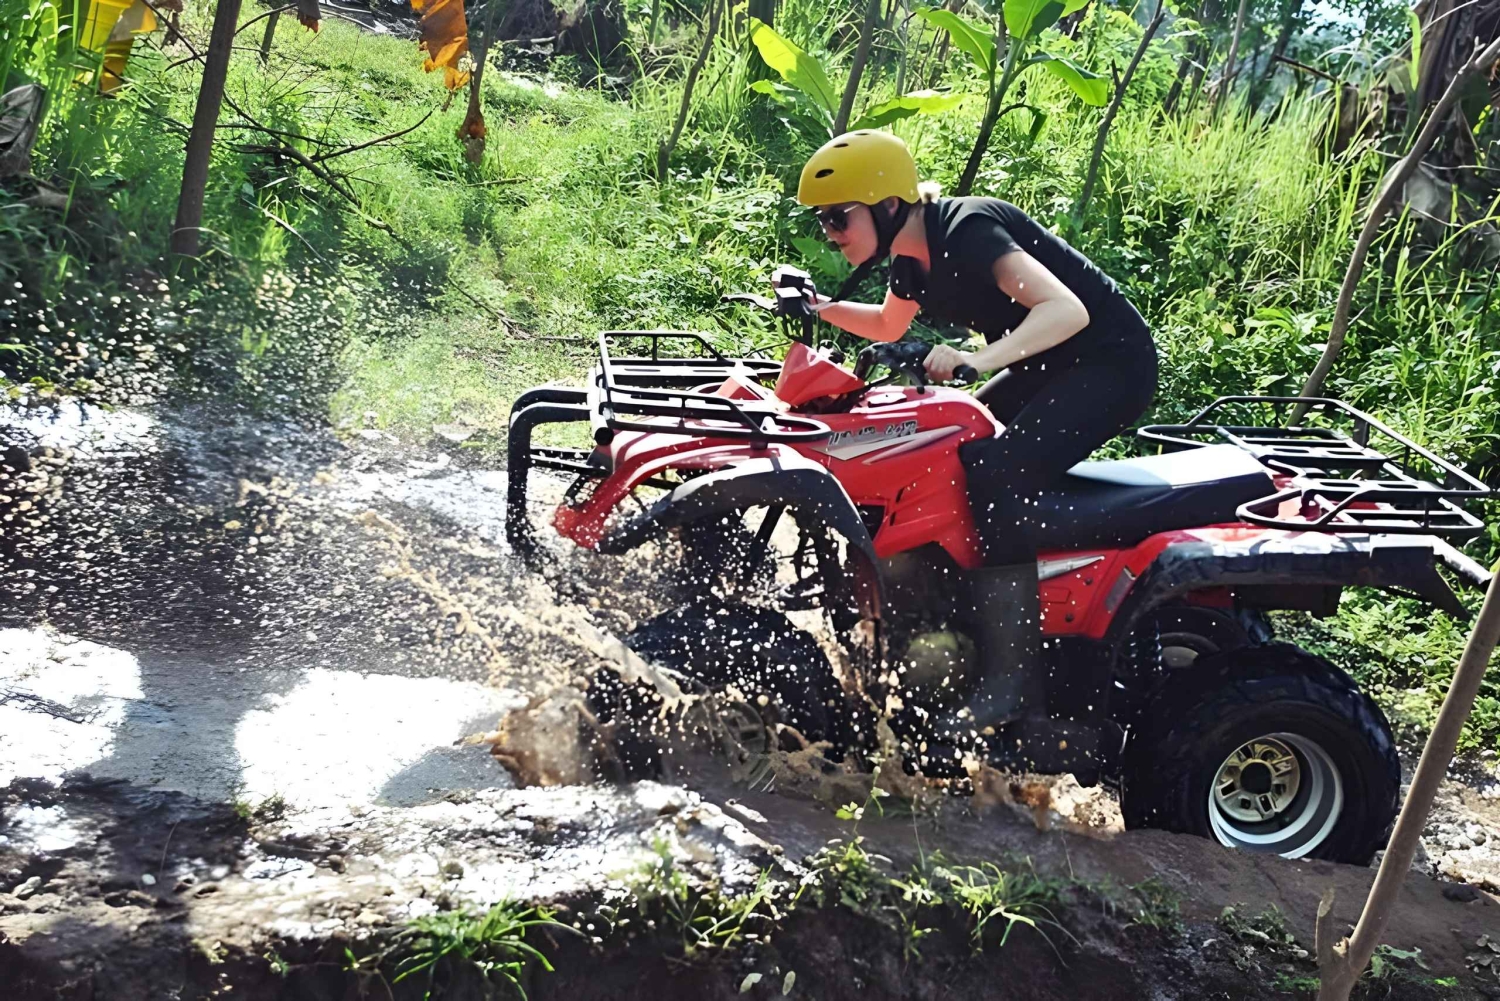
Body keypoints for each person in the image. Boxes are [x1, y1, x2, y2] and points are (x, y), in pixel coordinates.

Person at [791, 128, 1159, 765]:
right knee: (949, 443)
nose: (829, 231)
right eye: (823, 220)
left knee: (995, 474)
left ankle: (1012, 682)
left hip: (1108, 366)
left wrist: (975, 359)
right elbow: (886, 324)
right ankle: (949, 611)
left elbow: (1066, 311)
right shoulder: (911, 259)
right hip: (1052, 363)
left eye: (837, 217)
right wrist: (821, 309)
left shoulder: (968, 229)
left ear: (885, 205)